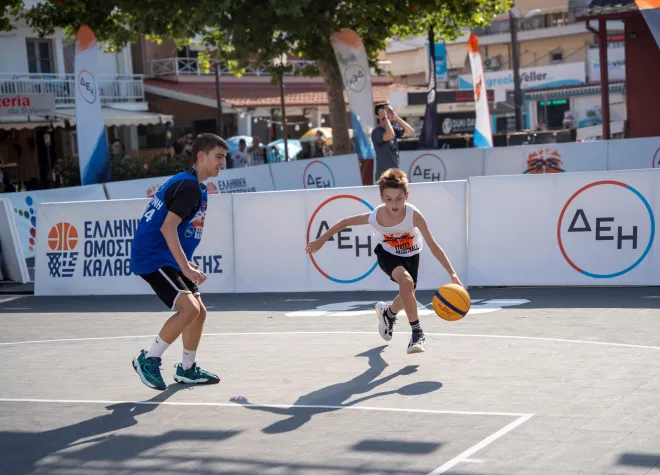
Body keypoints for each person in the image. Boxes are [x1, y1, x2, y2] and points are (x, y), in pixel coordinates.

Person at [305, 168, 463, 354]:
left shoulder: (415, 216)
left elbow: (434, 246)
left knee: (407, 293)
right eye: (388, 199)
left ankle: (389, 313)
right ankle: (417, 333)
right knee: (406, 282)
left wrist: (452, 273)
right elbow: (346, 222)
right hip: (387, 253)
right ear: (381, 198)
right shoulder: (377, 216)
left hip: (411, 254)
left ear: (406, 195)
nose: (394, 204)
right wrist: (321, 239)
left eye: (398, 198)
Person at [130, 133, 228, 390]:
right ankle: (148, 359)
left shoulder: (194, 185)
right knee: (190, 309)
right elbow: (167, 227)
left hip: (166, 256)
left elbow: (177, 229)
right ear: (201, 156)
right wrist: (183, 265)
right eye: (218, 157)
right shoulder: (189, 187)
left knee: (199, 312)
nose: (223, 163)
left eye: (224, 158)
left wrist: (185, 262)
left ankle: (187, 369)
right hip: (152, 256)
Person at [371, 103, 415, 184]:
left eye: (392, 111)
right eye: (389, 111)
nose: (392, 113)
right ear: (380, 114)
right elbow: (390, 135)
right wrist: (384, 118)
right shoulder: (376, 132)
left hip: (395, 175)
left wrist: (396, 118)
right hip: (383, 177)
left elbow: (410, 131)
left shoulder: (393, 129)